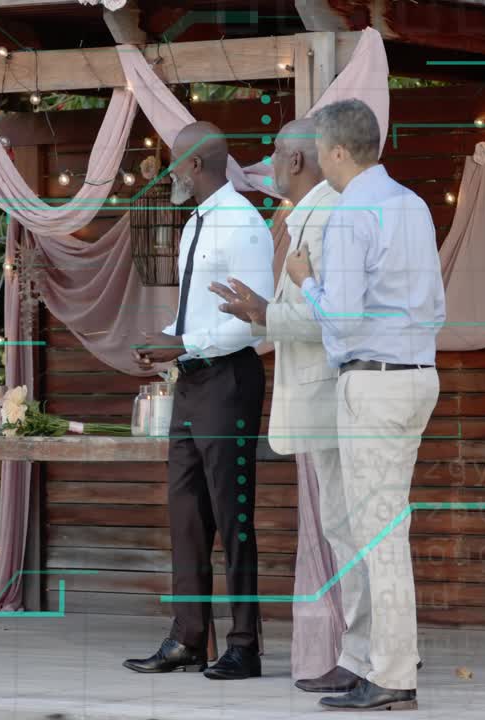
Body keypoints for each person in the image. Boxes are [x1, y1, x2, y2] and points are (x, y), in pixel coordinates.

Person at [284, 99, 444, 711]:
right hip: (418, 376)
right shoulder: (414, 205)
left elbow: (344, 317)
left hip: (373, 382)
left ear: (337, 152)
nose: (319, 162)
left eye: (320, 151)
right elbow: (435, 304)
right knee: (379, 527)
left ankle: (394, 673)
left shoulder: (351, 214)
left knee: (379, 534)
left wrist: (306, 280)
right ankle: (373, 660)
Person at [209, 118, 356, 691]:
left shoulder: (328, 216)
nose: (268, 163)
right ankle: (358, 655)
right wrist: (262, 309)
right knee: (342, 531)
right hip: (319, 400)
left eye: (273, 153)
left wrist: (264, 313)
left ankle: (362, 658)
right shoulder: (305, 216)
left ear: (295, 161)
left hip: (331, 398)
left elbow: (331, 318)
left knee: (349, 533)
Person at [126, 121, 274, 681]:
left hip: (230, 380)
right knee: (185, 513)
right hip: (189, 382)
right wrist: (164, 340)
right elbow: (197, 316)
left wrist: (183, 343)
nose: (169, 172)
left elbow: (253, 322)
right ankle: (188, 638)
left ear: (194, 165)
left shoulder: (244, 224)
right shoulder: (194, 224)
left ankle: (244, 646)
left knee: (233, 516)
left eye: (173, 162)